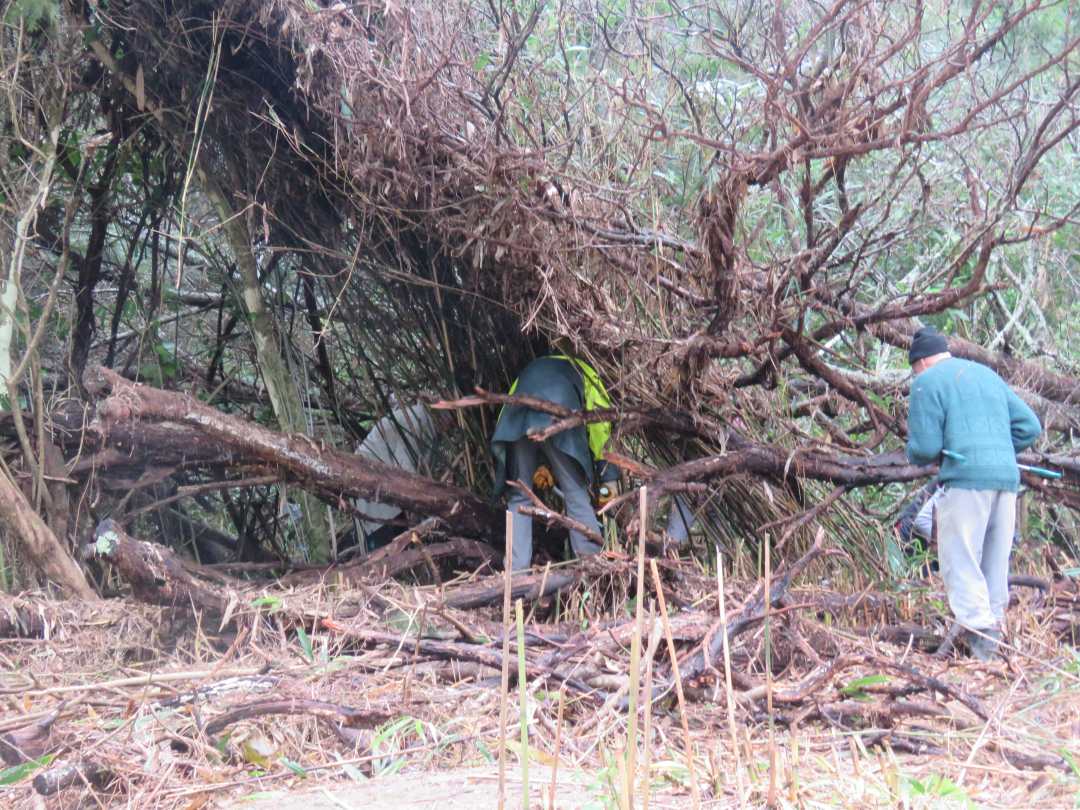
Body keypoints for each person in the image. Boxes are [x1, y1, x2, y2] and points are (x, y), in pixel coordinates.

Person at [905, 326, 1041, 661]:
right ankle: (996, 644)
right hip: (1007, 481)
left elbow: (924, 448)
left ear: (920, 363)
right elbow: (1030, 427)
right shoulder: (987, 376)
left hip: (965, 483)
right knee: (994, 564)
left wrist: (935, 452)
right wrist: (996, 450)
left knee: (960, 561)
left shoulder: (927, 381)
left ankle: (982, 646)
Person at [492, 353, 620, 570]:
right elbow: (601, 430)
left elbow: (508, 415)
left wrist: (538, 463)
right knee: (575, 493)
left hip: (516, 419)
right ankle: (593, 568)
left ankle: (514, 574)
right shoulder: (589, 375)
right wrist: (610, 480)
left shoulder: (531, 370)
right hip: (557, 414)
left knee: (519, 496)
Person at [352, 400, 441, 552]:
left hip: (383, 484)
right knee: (385, 546)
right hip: (372, 484)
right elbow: (405, 469)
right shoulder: (418, 421)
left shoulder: (425, 421)